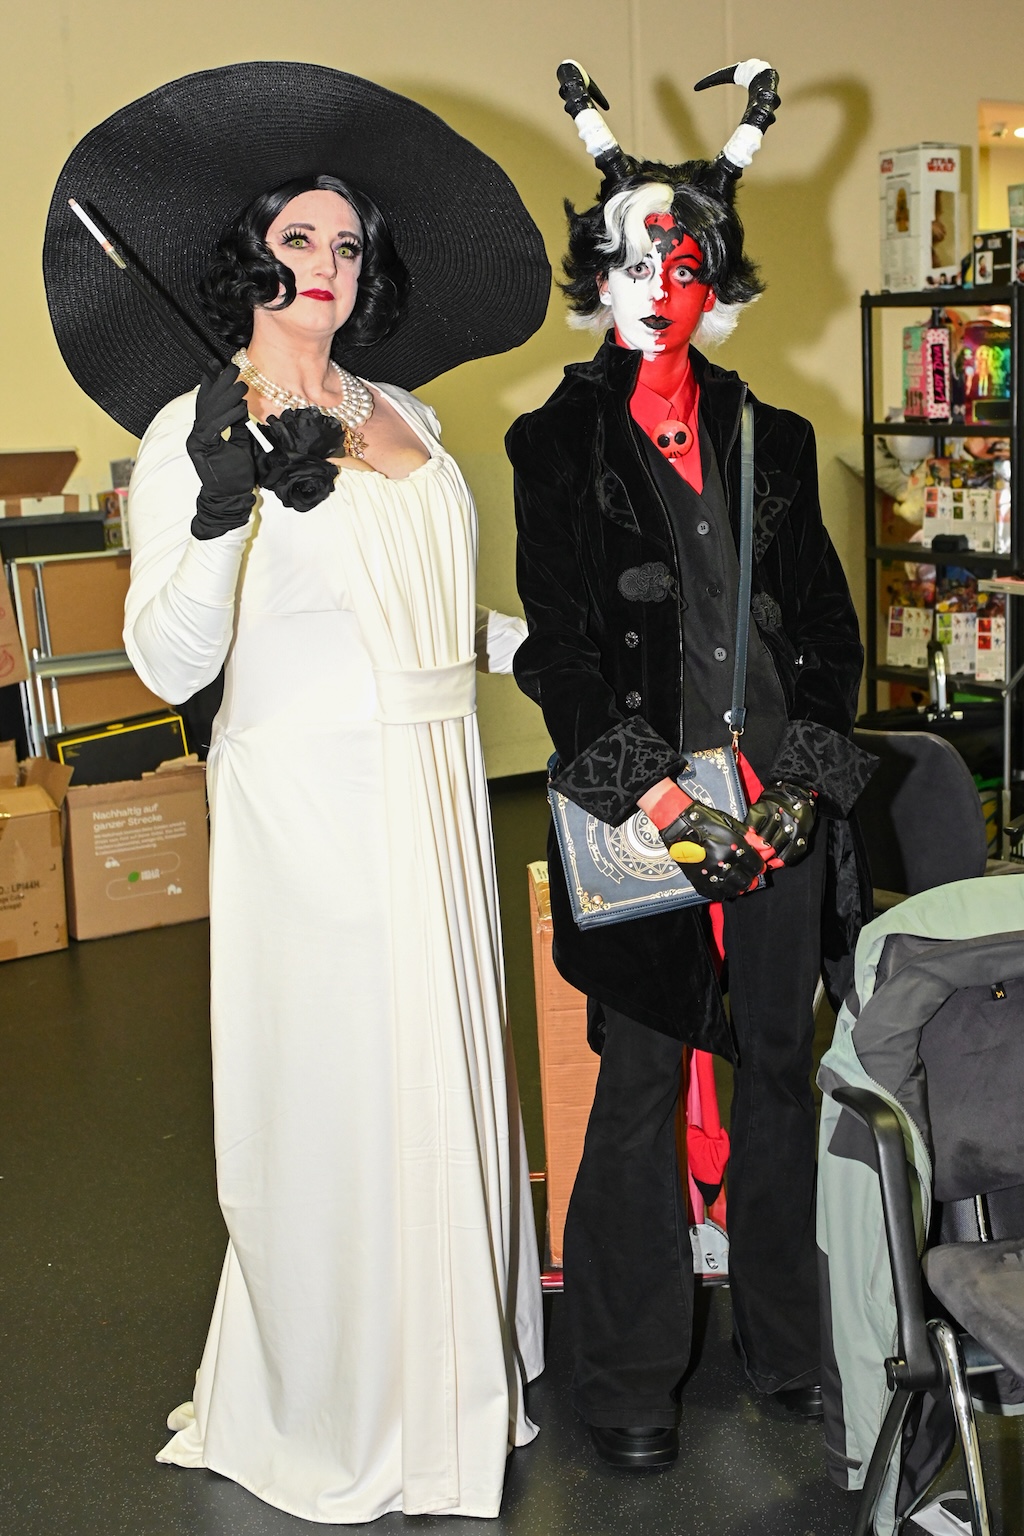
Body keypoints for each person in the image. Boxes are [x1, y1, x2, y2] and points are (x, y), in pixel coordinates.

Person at [45, 64, 550, 1524]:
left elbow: (427, 607)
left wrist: (558, 652)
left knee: (442, 1068)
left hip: (436, 787)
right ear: (248, 257)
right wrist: (219, 506)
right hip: (313, 806)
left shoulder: (405, 413)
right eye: (298, 239)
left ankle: (451, 1372)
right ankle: (339, 1397)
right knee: (341, 1092)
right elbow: (167, 658)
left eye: (346, 243)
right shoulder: (191, 430)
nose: (325, 265)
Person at [507, 59, 875, 1470]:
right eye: (632, 260)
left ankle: (789, 1347)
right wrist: (660, 801)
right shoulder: (556, 443)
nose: (657, 285)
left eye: (682, 261)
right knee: (645, 1076)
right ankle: (623, 1379)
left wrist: (801, 791)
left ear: (713, 276)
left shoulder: (776, 436)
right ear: (596, 276)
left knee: (780, 1065)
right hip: (641, 806)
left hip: (778, 804)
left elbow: (830, 631)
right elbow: (564, 652)